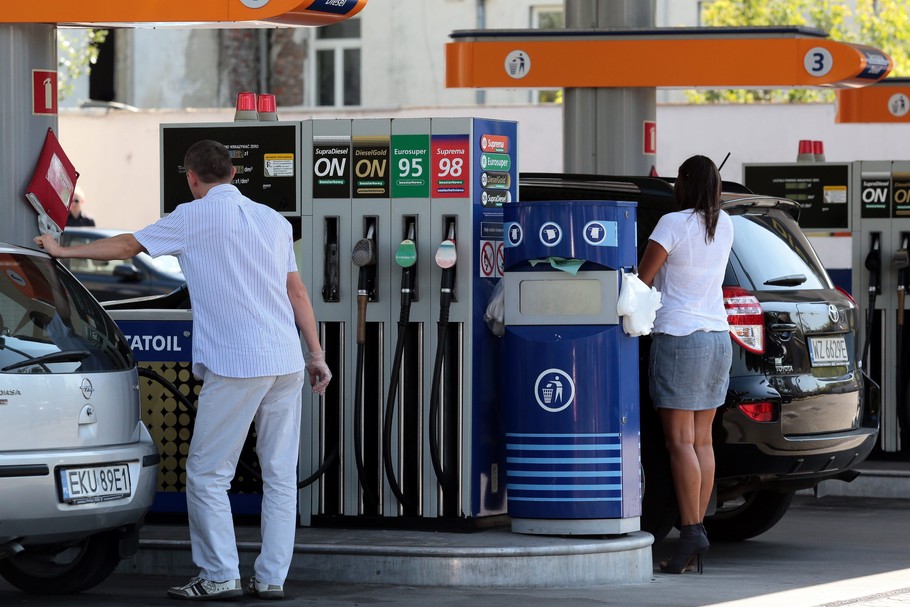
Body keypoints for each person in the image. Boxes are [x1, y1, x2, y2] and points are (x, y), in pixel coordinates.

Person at [35, 139, 332, 601]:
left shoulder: (192, 217)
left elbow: (128, 245)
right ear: (233, 174)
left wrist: (60, 249)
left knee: (209, 473)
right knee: (278, 474)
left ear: (192, 178)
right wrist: (316, 354)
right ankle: (271, 578)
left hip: (238, 361)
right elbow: (298, 293)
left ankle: (219, 575)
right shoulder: (273, 220)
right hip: (287, 361)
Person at [637, 155, 733, 575]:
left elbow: (642, 279)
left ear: (684, 183)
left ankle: (691, 530)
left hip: (679, 338)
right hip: (717, 339)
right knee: (703, 442)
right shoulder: (725, 223)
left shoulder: (672, 224)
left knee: (679, 444)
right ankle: (696, 530)